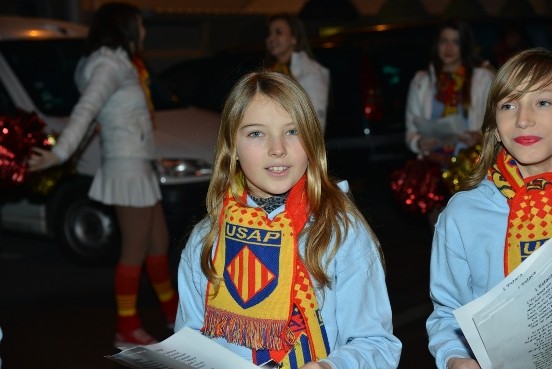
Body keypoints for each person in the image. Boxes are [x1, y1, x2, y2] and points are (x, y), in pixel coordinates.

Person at [174, 71, 401, 369]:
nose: (277, 148)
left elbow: (377, 345)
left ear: (311, 141)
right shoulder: (208, 239)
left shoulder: (339, 232)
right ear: (233, 148)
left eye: (292, 131)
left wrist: (331, 366)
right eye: (256, 133)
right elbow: (188, 344)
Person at [27, 2, 177, 348]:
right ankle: (125, 327)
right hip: (126, 169)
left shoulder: (121, 64)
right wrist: (60, 154)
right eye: (140, 25)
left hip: (138, 166)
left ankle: (174, 314)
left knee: (157, 243)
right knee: (135, 250)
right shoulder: (109, 66)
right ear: (124, 28)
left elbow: (100, 117)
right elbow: (87, 108)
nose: (144, 32)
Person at [426, 47, 552, 369]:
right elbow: (447, 312)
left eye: (543, 102)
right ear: (495, 126)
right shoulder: (463, 214)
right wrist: (455, 358)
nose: (523, 119)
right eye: (508, 105)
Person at [403, 19, 495, 224]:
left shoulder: (483, 78)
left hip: (470, 166)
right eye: (444, 41)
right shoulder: (421, 80)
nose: (449, 47)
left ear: (465, 46)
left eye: (456, 41)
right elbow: (410, 130)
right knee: (439, 230)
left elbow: (497, 122)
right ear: (436, 45)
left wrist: (480, 136)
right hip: (434, 166)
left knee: (472, 226)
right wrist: (419, 142)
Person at [265, 13, 330, 132]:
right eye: (269, 34)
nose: (271, 38)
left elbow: (316, 122)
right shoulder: (270, 71)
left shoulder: (311, 71)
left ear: (294, 38)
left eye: (278, 32)